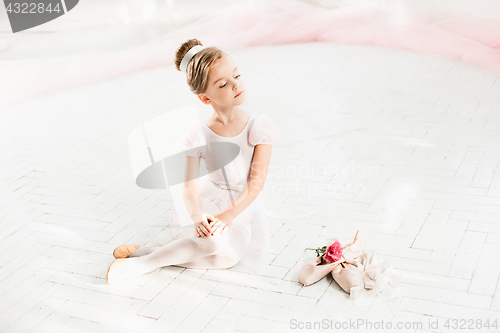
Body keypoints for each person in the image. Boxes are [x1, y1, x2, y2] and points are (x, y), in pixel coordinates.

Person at [106, 38, 280, 284]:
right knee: (214, 241)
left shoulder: (258, 127)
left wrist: (229, 216)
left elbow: (256, 183)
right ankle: (140, 266)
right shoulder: (197, 137)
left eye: (237, 76)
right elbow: (189, 186)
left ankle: (150, 252)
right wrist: (197, 214)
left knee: (227, 257)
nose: (235, 85)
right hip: (212, 200)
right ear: (205, 99)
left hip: (243, 205)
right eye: (223, 84)